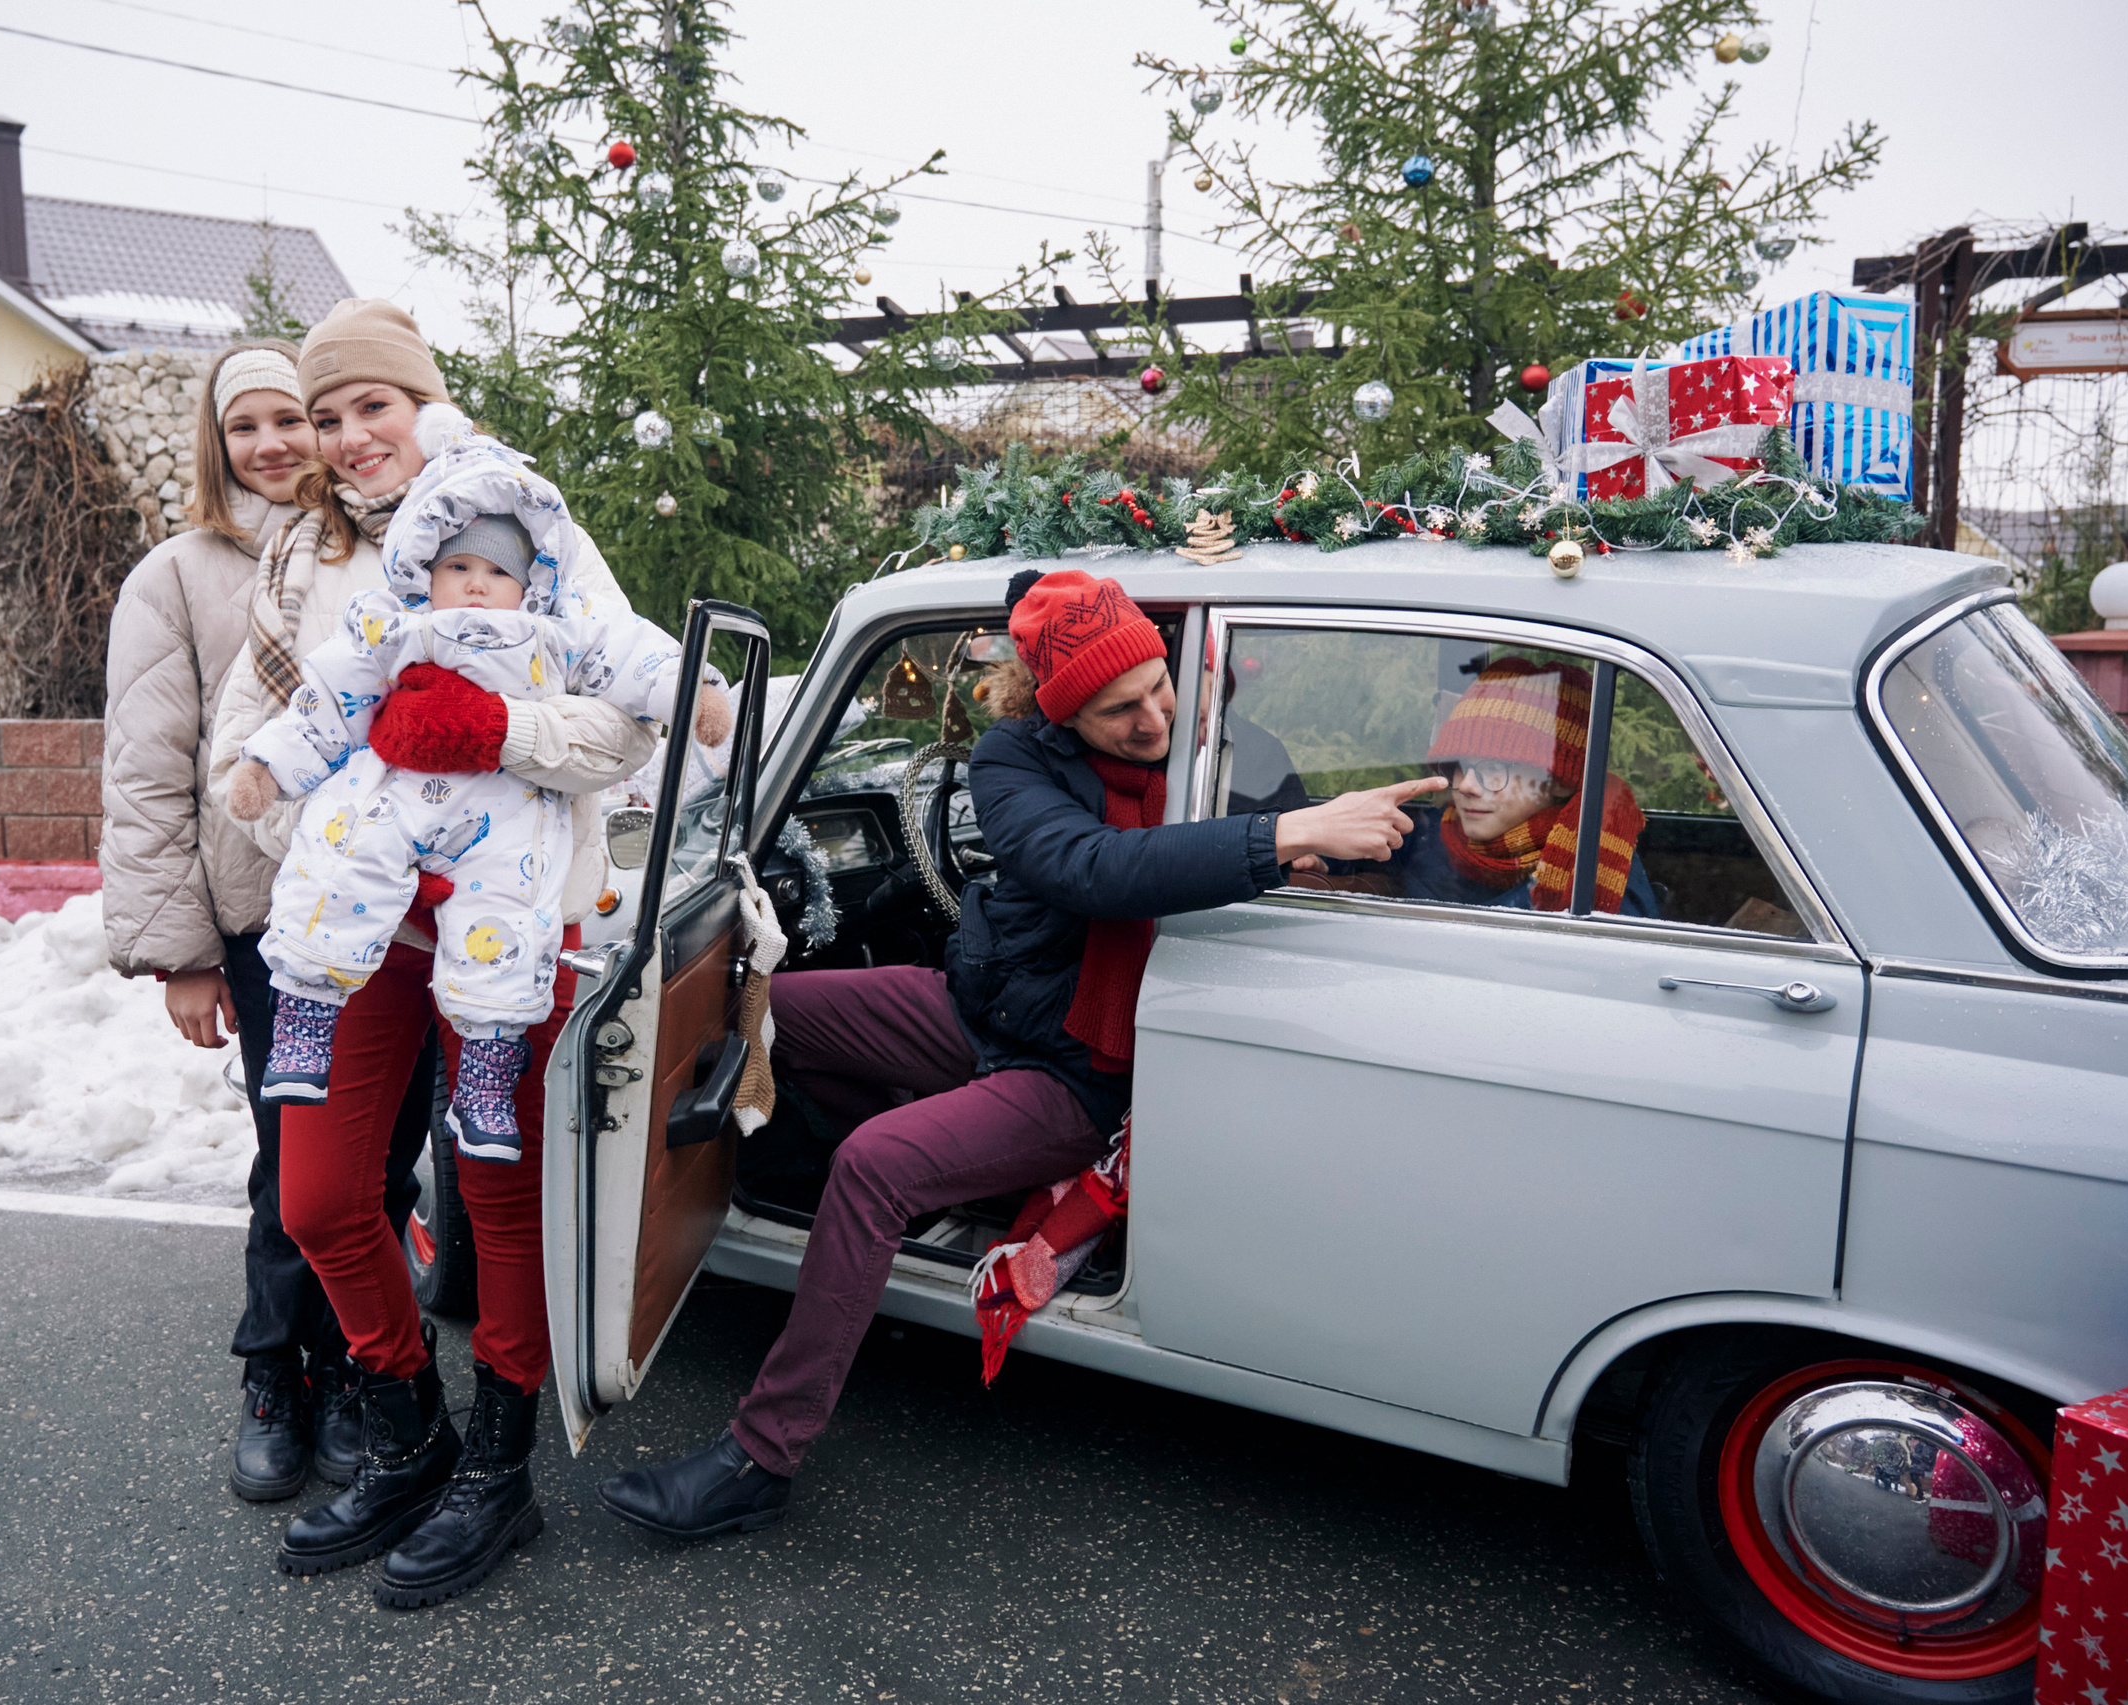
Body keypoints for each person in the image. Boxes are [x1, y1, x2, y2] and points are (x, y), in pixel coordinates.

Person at [597, 566, 1443, 1539]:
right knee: (754, 1012)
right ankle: (875, 1225)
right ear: (1060, 712)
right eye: (1116, 708)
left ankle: (761, 1454)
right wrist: (1282, 835)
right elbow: (1088, 868)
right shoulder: (1012, 761)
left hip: (1076, 1070)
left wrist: (1331, 841)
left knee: (876, 1166)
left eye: (1157, 686)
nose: (1152, 719)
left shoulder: (1230, 752)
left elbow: (1273, 862)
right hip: (977, 1012)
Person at [205, 298, 657, 1608]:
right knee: (322, 1194)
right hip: (362, 925)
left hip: (506, 916)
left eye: (371, 407)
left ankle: (498, 1468)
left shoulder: (518, 520)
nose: (348, 437)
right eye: (327, 413)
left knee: (495, 1190)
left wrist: (491, 732)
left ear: (423, 400)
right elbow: (274, 735)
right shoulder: (304, 548)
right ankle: (407, 1429)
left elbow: (617, 727)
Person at [222, 418, 707, 1151]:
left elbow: (634, 656)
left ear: (530, 582)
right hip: (396, 789)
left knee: (509, 913)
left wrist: (694, 691)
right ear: (426, 569)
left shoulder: (559, 627)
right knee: (337, 851)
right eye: (458, 569)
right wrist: (268, 767)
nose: (477, 585)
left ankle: (486, 1070)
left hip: (503, 806)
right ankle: (306, 1015)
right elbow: (327, 699)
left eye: (498, 573)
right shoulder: (394, 624)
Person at [101, 337, 405, 1505]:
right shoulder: (178, 577)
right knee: (297, 1162)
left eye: (297, 419)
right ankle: (276, 1372)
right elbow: (145, 769)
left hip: (392, 920)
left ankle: (355, 1368)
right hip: (268, 923)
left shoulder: (382, 546)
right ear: (216, 443)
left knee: (384, 1160)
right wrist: (179, 949)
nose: (278, 444)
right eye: (248, 426)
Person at [1320, 658, 1658, 916]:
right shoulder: (1436, 832)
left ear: (1556, 780)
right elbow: (1371, 849)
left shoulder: (1595, 871)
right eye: (1459, 765)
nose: (1465, 786)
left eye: (1494, 769)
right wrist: (1321, 857)